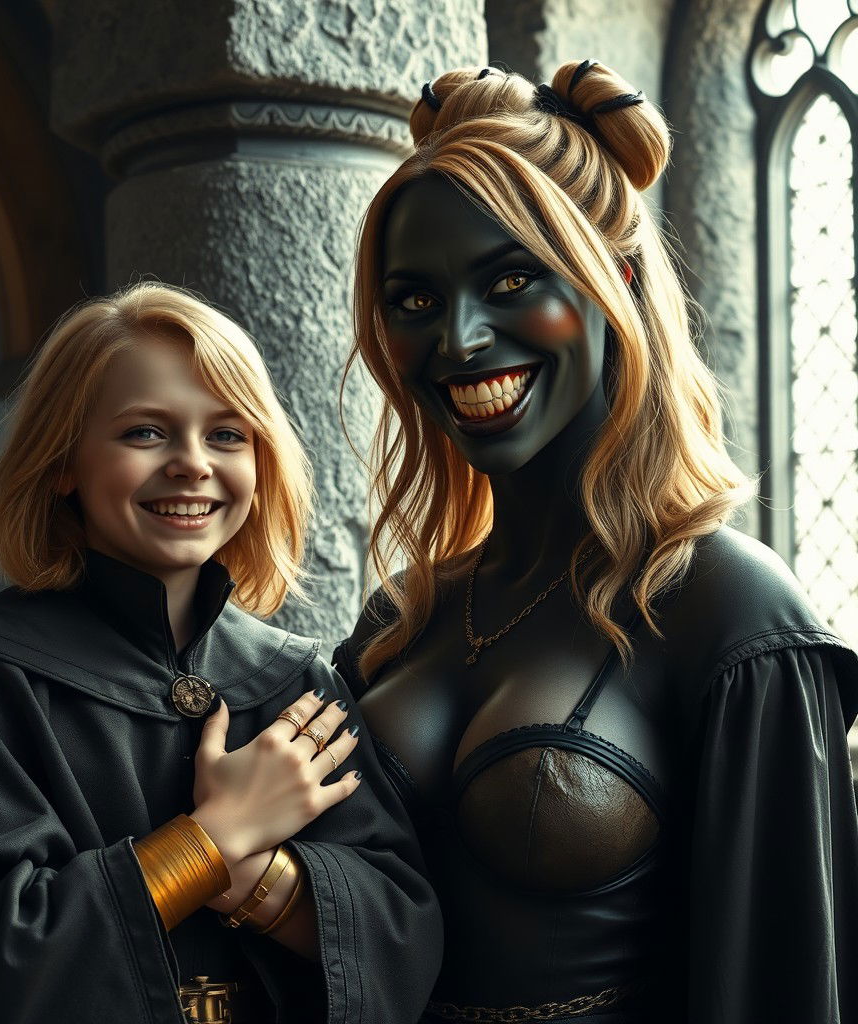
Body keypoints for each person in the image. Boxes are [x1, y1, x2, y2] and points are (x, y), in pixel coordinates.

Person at [333, 61, 858, 1024]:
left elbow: (785, 988)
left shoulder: (731, 614)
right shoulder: (398, 619)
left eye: (511, 280)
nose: (458, 340)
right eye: (414, 301)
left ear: (616, 281)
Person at [0, 282, 442, 1024]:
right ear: (62, 462)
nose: (193, 463)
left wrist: (250, 875)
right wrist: (214, 838)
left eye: (227, 435)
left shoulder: (296, 683)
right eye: (145, 433)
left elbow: (402, 937)